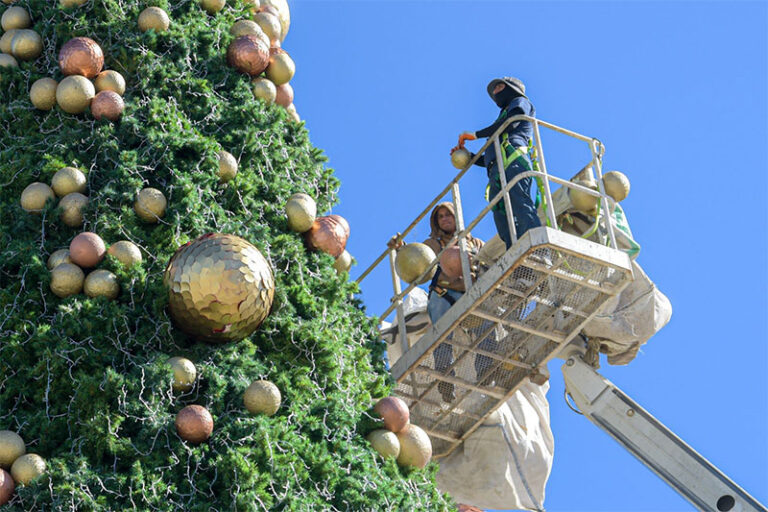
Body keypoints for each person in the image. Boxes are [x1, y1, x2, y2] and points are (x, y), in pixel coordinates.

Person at [389, 202, 483, 402]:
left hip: (471, 295)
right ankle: (445, 383)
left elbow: (490, 259)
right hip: (443, 296)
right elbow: (418, 257)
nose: (445, 219)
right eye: (440, 217)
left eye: (448, 215)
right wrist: (401, 249)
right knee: (442, 340)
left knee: (486, 330)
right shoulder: (434, 244)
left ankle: (487, 371)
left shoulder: (475, 243)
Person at [451, 76, 541, 250]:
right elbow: (490, 160)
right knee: (502, 215)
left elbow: (513, 121)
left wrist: (476, 135)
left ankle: (539, 249)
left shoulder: (519, 102)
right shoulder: (500, 122)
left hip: (514, 162)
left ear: (512, 88)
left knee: (520, 204)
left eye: (500, 86)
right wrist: (469, 157)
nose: (495, 91)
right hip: (497, 171)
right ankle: (515, 252)